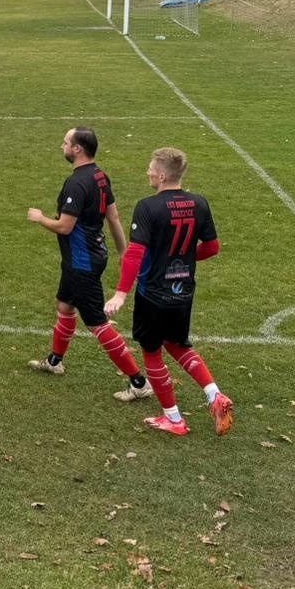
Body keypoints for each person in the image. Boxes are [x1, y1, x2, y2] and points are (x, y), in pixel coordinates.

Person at [103, 148, 232, 436]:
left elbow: (135, 253)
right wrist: (184, 259)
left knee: (151, 352)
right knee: (177, 344)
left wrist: (121, 293)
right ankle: (214, 395)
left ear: (162, 176)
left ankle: (174, 419)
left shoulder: (148, 207)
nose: (147, 172)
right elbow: (212, 247)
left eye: (151, 168)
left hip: (153, 293)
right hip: (183, 291)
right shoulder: (199, 203)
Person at [27, 126, 150, 400]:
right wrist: (123, 251)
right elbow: (113, 217)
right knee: (64, 306)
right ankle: (55, 362)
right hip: (91, 255)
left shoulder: (76, 183)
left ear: (77, 149)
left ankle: (139, 383)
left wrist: (40, 218)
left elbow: (65, 226)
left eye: (65, 143)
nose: (62, 147)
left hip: (81, 262)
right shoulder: (100, 176)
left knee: (97, 323)